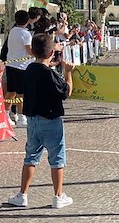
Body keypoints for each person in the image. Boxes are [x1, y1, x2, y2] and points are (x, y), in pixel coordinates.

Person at [7, 33, 75, 209]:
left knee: (30, 158)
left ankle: (23, 194)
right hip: (51, 121)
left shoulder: (29, 70)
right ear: (52, 52)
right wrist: (68, 73)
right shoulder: (50, 75)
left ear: (32, 51)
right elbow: (66, 92)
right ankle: (58, 196)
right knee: (57, 159)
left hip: (33, 121)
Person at [4, 10, 33, 127]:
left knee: (11, 92)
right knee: (21, 94)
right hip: (21, 66)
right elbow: (29, 50)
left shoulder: (12, 31)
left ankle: (6, 114)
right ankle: (21, 117)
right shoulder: (25, 34)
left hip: (11, 64)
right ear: (27, 21)